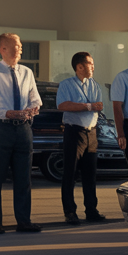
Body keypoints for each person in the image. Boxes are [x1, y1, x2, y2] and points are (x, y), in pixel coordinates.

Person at [0, 33, 42, 234]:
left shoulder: (27, 72)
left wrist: (33, 108)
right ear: (3, 49)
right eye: (17, 45)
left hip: (23, 130)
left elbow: (36, 99)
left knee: (24, 178)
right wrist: (7, 113)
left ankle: (24, 221)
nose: (21, 48)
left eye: (21, 45)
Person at [54, 52, 106, 225]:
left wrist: (87, 107)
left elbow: (98, 106)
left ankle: (91, 210)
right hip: (74, 132)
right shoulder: (66, 85)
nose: (93, 67)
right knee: (70, 173)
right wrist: (88, 106)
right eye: (90, 63)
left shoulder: (95, 85)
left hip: (91, 132)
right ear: (79, 66)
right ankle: (70, 211)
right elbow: (63, 105)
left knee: (90, 174)